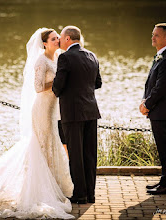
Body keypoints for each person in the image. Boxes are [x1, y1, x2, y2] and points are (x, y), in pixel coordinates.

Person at [0, 28, 74, 219]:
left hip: (53, 110)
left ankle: (55, 186)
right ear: (44, 43)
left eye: (58, 38)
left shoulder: (60, 57)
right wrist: (57, 83)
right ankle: (40, 189)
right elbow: (37, 88)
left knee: (53, 144)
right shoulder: (41, 61)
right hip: (42, 109)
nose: (57, 40)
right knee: (43, 145)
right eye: (53, 39)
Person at [52, 25, 102, 204]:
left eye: (61, 38)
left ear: (67, 39)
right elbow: (98, 83)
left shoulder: (65, 57)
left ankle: (80, 195)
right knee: (90, 154)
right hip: (91, 111)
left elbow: (58, 86)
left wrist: (60, 90)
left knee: (76, 154)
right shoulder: (92, 56)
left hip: (72, 112)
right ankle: (90, 194)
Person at [140, 23, 166, 195]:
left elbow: (161, 88)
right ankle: (164, 179)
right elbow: (150, 83)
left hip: (162, 111)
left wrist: (147, 104)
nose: (152, 37)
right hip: (157, 110)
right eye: (152, 34)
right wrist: (144, 100)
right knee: (162, 148)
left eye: (156, 35)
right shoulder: (159, 56)